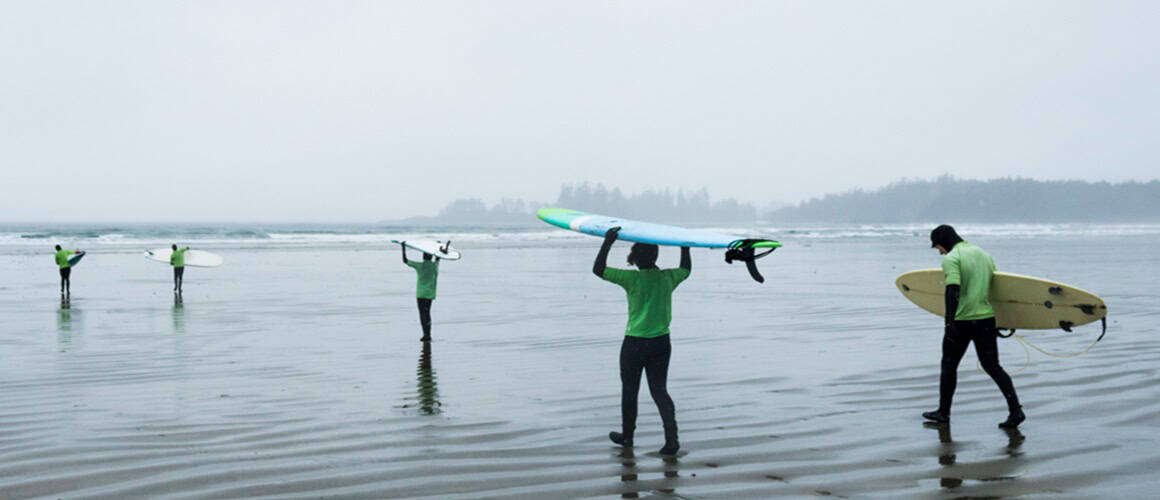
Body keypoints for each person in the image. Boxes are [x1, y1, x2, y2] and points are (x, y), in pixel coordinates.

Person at [594, 227, 690, 456]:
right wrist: (684, 244)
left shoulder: (631, 278)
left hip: (635, 344)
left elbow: (598, 270)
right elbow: (686, 269)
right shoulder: (668, 277)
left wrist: (608, 242)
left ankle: (627, 437)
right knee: (660, 391)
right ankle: (672, 439)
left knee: (630, 391)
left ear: (635, 258)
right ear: (656, 256)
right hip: (661, 344)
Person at [923, 224, 1025, 429]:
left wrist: (949, 322)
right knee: (993, 366)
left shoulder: (952, 259)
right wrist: (1004, 321)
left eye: (937, 247)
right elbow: (996, 290)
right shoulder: (984, 254)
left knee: (949, 366)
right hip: (986, 319)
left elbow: (952, 290)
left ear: (944, 242)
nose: (939, 252)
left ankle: (943, 413)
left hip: (962, 321)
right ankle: (1016, 410)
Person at [400, 242, 440, 342]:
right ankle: (428, 334)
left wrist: (403, 248)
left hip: (421, 294)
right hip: (430, 294)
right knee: (428, 313)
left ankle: (425, 335)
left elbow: (405, 261)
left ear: (423, 257)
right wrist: (438, 247)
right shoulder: (435, 265)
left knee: (422, 314)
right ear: (431, 257)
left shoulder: (420, 266)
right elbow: (438, 257)